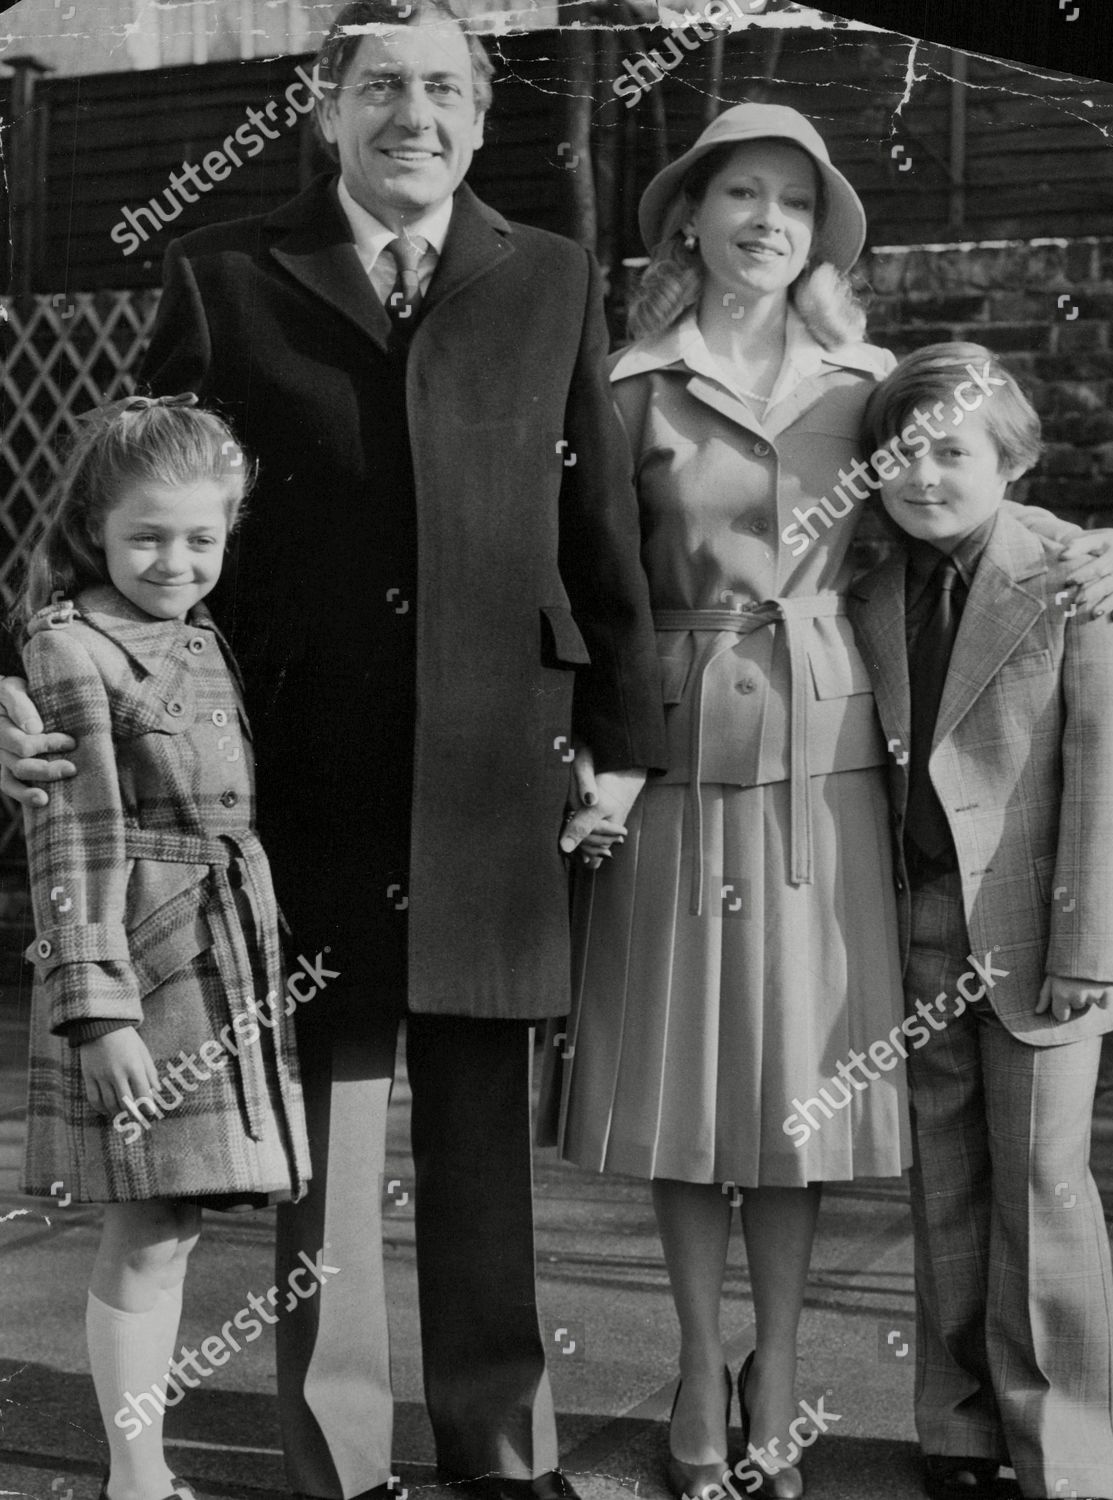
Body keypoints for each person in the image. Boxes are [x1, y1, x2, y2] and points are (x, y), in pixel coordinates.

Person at [0, 3, 664, 1498]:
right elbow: (123, 516)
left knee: (489, 1141)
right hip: (301, 777)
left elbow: (602, 525)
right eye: (380, 89)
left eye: (441, 88)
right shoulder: (228, 276)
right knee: (332, 1134)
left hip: (504, 774)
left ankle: (501, 1448)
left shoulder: (553, 278)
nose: (410, 114)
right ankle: (344, 1459)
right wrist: (25, 679)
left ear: (479, 118)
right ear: (329, 109)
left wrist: (622, 740)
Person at [553, 104, 1113, 1500]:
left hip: (837, 779)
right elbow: (575, 584)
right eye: (738, 194)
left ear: (820, 237)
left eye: (795, 205)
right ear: (686, 216)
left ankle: (787, 1374)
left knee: (802, 1093)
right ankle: (700, 1372)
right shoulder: (628, 386)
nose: (765, 222)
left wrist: (1105, 542)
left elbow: (975, 501)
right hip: (675, 769)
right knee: (687, 1095)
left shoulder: (866, 386)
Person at [848, 343, 1113, 1500]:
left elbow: (1105, 771)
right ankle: (960, 1428)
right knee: (948, 1186)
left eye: (951, 453)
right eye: (901, 454)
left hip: (1036, 932)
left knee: (1043, 1188)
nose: (923, 477)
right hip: (916, 922)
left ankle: (1067, 1450)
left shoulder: (1070, 573)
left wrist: (1088, 950)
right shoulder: (864, 581)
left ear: (1009, 460)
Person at [14, 394, 311, 1500]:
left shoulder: (198, 633)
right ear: (93, 525)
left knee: (175, 1223)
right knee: (146, 1221)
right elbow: (71, 834)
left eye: (202, 538)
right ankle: (134, 1476)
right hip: (141, 962)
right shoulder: (69, 647)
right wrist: (97, 1010)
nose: (175, 560)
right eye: (146, 536)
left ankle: (140, 1468)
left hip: (223, 949)